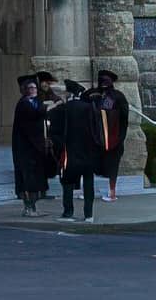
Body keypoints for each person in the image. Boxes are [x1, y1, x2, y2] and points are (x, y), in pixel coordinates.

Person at [55, 79, 105, 220]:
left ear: (69, 94)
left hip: (70, 152)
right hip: (87, 152)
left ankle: (68, 212)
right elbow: (96, 131)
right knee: (88, 183)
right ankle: (88, 215)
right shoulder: (89, 108)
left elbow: (57, 130)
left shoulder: (64, 108)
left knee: (68, 183)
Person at [10, 75, 52, 215]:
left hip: (35, 147)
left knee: (35, 178)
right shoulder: (23, 104)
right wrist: (52, 106)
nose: (34, 90)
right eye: (31, 88)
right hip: (25, 147)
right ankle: (29, 207)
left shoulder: (35, 102)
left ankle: (32, 206)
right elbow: (34, 116)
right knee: (27, 178)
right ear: (25, 90)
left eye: (35, 87)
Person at [94, 69, 130, 201]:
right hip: (98, 137)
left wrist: (120, 136)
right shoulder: (96, 96)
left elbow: (124, 117)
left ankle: (112, 192)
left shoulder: (117, 96)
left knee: (113, 165)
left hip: (114, 137)